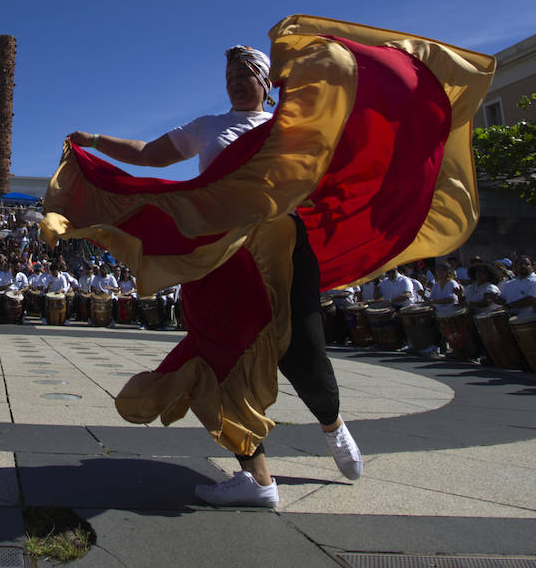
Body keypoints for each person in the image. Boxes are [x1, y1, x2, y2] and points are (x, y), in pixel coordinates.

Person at [62, 44, 362, 508]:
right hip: (221, 254)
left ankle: (332, 424)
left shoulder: (288, 126)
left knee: (302, 346)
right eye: (230, 75)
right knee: (221, 354)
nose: (236, 81)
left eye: (245, 73)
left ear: (265, 82)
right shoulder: (207, 127)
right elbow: (147, 154)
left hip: (281, 247)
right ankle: (257, 478)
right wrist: (97, 141)